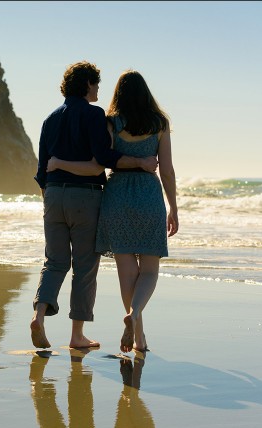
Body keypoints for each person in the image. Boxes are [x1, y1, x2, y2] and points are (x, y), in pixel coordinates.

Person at [48, 70, 178, 352]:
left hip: (117, 196)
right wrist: (173, 208)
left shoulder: (111, 123)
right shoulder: (159, 124)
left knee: (126, 272)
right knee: (150, 271)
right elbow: (166, 170)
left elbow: (104, 161)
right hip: (148, 196)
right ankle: (134, 318)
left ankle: (139, 334)